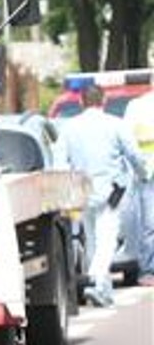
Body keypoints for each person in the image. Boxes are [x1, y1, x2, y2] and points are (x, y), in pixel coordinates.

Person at [62, 84, 149, 307]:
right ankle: (95, 284)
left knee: (92, 241)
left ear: (81, 102)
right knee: (107, 242)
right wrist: (143, 174)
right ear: (104, 101)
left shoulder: (69, 127)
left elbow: (59, 161)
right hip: (111, 193)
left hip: (81, 192)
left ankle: (104, 291)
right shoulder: (115, 125)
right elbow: (134, 155)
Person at [119, 91, 154, 285]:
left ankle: (149, 270)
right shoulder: (138, 106)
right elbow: (128, 142)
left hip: (146, 172)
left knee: (149, 225)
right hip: (148, 173)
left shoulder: (135, 107)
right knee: (149, 224)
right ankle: (149, 270)